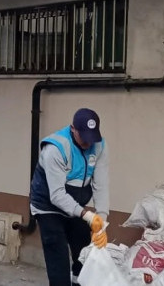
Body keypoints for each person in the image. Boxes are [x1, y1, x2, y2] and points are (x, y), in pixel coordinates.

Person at [29, 108, 110, 286]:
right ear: (73, 128)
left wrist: (101, 222)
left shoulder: (99, 145)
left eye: (92, 137)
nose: (88, 143)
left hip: (76, 206)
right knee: (58, 260)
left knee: (84, 254)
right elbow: (57, 195)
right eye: (84, 137)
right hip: (48, 207)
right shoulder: (55, 149)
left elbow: (101, 185)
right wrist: (87, 215)